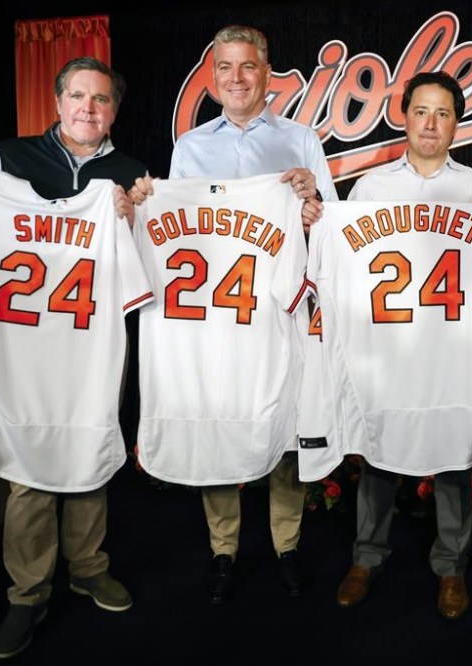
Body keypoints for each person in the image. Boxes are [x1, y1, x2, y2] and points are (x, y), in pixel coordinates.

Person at [0, 56, 147, 660]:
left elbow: (147, 267)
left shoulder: (130, 173)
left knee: (88, 446)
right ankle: (27, 591)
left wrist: (136, 220)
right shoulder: (8, 157)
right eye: (78, 96)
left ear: (115, 109)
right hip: (23, 343)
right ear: (57, 102)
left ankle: (87, 565)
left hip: (90, 340)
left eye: (101, 99)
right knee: (29, 467)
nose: (89, 108)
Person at [128, 24, 337, 605]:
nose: (237, 78)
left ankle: (286, 546)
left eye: (248, 66)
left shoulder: (302, 140)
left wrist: (310, 201)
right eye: (225, 67)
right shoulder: (191, 147)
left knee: (286, 425)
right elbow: (177, 231)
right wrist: (147, 203)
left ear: (267, 74)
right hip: (216, 314)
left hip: (277, 305)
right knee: (220, 420)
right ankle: (223, 550)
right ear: (212, 76)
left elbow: (330, 227)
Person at [332, 71, 472, 621]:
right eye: (421, 111)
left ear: (456, 123)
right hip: (389, 346)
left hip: (450, 350)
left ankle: (451, 567)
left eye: (443, 113)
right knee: (379, 452)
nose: (430, 123)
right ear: (404, 116)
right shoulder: (371, 188)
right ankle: (366, 557)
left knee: (452, 457)